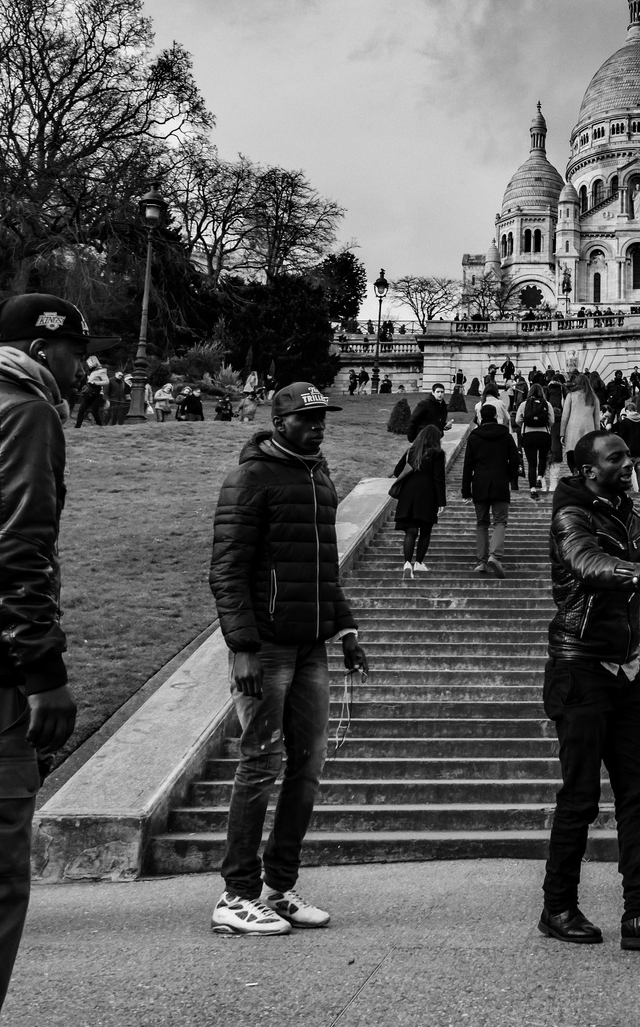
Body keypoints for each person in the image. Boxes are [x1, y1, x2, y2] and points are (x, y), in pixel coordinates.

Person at [0, 294, 105, 1022]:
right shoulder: (24, 414)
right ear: (44, 350)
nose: (86, 366)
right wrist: (44, 674)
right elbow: (15, 554)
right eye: (78, 352)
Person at [208, 381, 369, 935]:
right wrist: (243, 648)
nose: (318, 426)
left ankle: (278, 887)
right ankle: (235, 895)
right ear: (279, 422)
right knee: (259, 763)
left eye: (323, 417)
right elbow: (227, 569)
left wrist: (345, 626)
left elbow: (326, 564)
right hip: (268, 647)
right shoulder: (251, 477)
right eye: (307, 419)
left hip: (313, 644)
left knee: (308, 767)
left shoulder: (318, 476)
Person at [539, 431, 640, 949]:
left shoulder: (624, 513)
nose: (628, 463)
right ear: (589, 470)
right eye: (616, 458)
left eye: (628, 456)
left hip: (627, 672)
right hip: (580, 671)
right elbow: (588, 563)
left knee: (639, 793)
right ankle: (557, 908)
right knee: (581, 797)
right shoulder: (572, 516)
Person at [462, 404, 521, 576]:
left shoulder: (474, 437)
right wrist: (508, 477)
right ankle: (495, 555)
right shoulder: (505, 435)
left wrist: (466, 490)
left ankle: (481, 562)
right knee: (500, 521)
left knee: (482, 523)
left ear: (480, 417)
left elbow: (468, 466)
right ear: (496, 416)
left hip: (479, 483)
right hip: (500, 483)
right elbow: (515, 460)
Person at [392, 424, 448, 575]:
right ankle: (419, 563)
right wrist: (441, 501)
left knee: (410, 531)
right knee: (425, 530)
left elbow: (398, 471)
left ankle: (407, 564)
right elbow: (439, 479)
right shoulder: (437, 453)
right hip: (427, 495)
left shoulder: (411, 451)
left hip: (408, 494)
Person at [560, 368, 601, 474]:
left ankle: (574, 471)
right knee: (586, 456)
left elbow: (565, 416)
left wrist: (562, 433)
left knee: (571, 454)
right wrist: (597, 434)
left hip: (572, 430)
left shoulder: (571, 396)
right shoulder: (594, 398)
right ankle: (582, 473)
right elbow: (597, 420)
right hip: (589, 430)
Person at [517, 387, 555, 498]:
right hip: (544, 435)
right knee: (543, 458)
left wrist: (526, 425)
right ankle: (539, 477)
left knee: (531, 464)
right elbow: (552, 420)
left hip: (529, 436)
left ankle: (533, 489)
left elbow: (518, 420)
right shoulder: (547, 404)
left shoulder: (524, 404)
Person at [612, 399, 640, 493]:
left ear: (627, 411)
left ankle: (630, 499)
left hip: (628, 455)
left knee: (627, 479)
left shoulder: (625, 423)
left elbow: (621, 439)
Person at [74, 357, 107, 427]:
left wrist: (95, 383)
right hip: (89, 392)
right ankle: (77, 427)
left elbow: (107, 381)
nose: (88, 365)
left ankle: (100, 425)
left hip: (97, 393)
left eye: (89, 363)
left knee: (94, 411)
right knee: (81, 410)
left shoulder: (101, 371)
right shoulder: (89, 372)